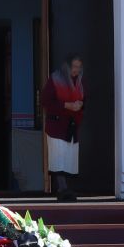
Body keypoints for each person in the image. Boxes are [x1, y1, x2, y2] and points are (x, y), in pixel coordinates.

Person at [39, 55, 86, 202]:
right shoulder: (55, 79)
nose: (76, 70)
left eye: (79, 67)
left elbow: (84, 99)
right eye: (74, 66)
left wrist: (80, 104)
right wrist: (66, 105)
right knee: (58, 157)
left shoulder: (79, 82)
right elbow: (45, 101)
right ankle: (62, 189)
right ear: (67, 66)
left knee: (69, 158)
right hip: (57, 125)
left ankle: (68, 189)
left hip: (71, 126)